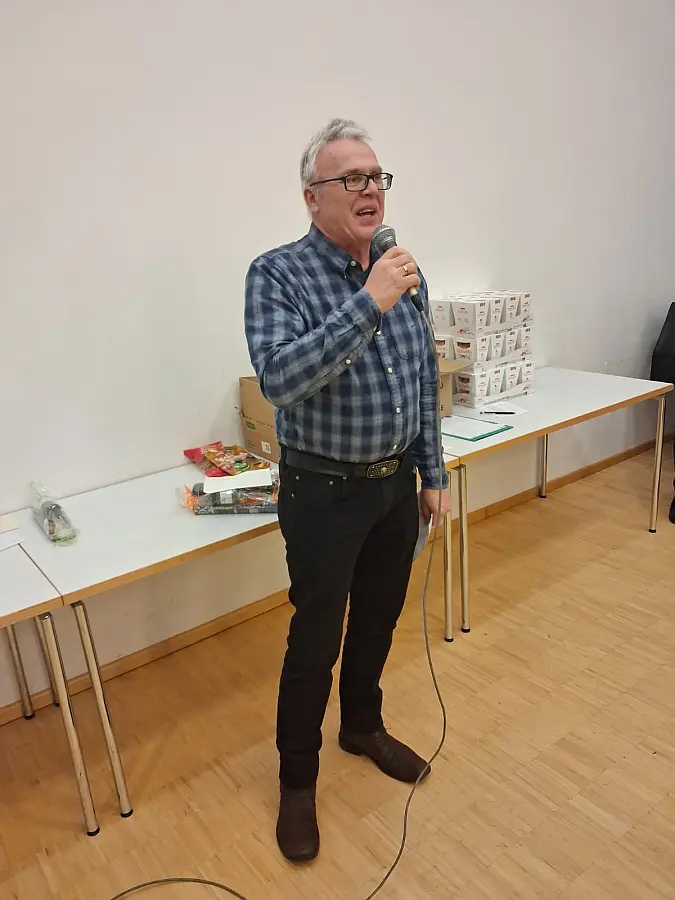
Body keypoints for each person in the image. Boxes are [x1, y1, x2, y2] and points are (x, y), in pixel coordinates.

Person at [244, 118, 450, 863]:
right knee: (316, 638)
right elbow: (281, 380)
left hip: (395, 486)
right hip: (323, 492)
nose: (370, 190)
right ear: (312, 197)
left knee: (378, 620)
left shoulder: (400, 268)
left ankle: (361, 726)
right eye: (351, 178)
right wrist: (369, 301)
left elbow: (423, 380)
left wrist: (432, 472)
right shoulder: (276, 274)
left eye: (376, 177)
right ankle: (297, 780)